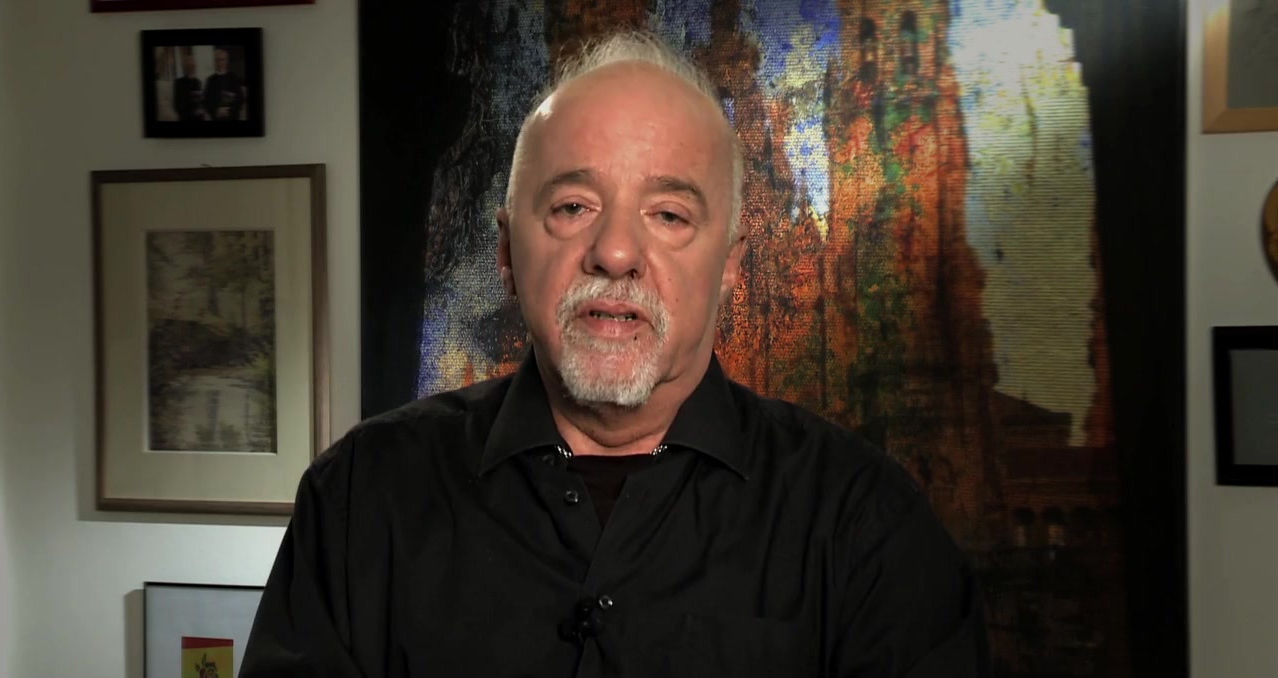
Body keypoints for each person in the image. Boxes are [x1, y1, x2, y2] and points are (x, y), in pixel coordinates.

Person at [241, 31, 990, 677]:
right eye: (573, 207)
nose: (617, 252)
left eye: (669, 214)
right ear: (506, 252)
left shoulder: (865, 522)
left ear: (731, 265)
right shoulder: (361, 497)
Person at [202, 46, 244, 121]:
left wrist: (229, 111)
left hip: (232, 117)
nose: (220, 63)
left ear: (227, 61)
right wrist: (216, 111)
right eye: (217, 60)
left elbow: (240, 99)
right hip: (216, 118)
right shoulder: (210, 80)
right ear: (215, 62)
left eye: (222, 60)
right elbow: (206, 101)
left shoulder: (234, 78)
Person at [174, 48, 205, 122]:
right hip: (186, 116)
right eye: (189, 65)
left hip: (199, 116)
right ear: (185, 67)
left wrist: (201, 108)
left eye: (193, 65)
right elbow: (177, 106)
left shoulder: (198, 82)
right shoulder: (178, 82)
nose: (192, 67)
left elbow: (201, 102)